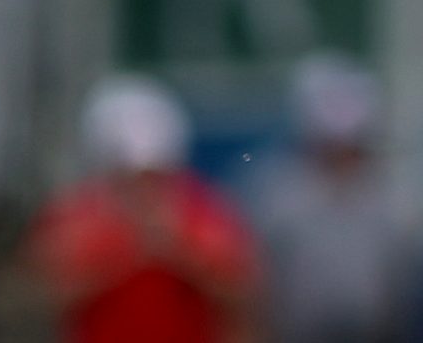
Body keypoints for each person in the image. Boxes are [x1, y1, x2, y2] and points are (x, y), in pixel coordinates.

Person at [23, 76, 258, 343]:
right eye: (131, 177)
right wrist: (122, 251)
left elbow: (241, 292)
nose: (144, 188)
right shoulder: (76, 213)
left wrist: (180, 250)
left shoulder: (203, 207)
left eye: (154, 176)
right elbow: (47, 294)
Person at [240, 56, 423, 343]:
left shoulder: (394, 199)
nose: (342, 155)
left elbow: (406, 291)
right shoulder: (275, 194)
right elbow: (253, 284)